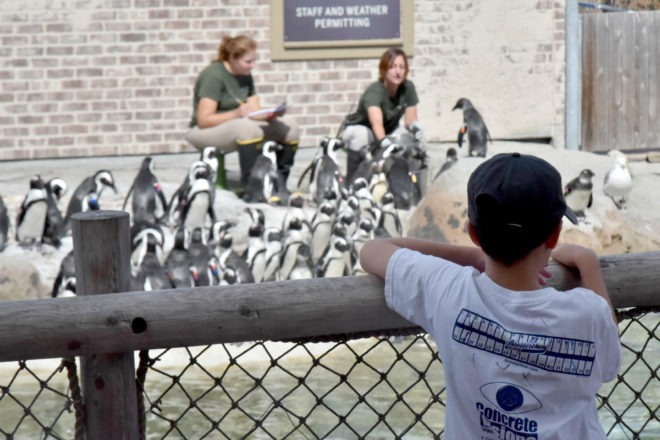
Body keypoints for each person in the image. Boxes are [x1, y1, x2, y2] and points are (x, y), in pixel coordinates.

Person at [359, 152, 621, 439]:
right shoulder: (587, 313)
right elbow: (608, 367)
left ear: (473, 232)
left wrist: (477, 257)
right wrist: (588, 264)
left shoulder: (449, 291)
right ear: (555, 235)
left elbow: (373, 250)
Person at [185, 35, 300, 195]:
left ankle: (278, 184)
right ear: (232, 58)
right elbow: (203, 120)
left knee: (290, 125)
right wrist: (236, 113)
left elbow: (254, 111)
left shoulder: (245, 75)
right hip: (203, 131)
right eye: (248, 61)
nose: (252, 66)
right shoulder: (214, 76)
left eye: (254, 61)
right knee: (246, 128)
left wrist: (271, 114)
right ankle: (252, 188)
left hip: (236, 125)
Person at [341, 47, 424, 184]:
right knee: (362, 134)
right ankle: (351, 182)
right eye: (393, 67)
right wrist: (386, 145)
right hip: (362, 130)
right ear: (384, 70)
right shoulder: (375, 91)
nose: (397, 71)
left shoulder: (407, 88)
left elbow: (410, 121)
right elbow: (376, 123)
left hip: (387, 130)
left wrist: (417, 129)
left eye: (401, 67)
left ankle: (407, 182)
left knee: (410, 139)